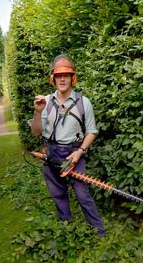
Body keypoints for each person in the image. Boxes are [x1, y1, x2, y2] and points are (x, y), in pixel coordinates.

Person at [29, 54, 105, 237]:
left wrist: (80, 152)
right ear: (53, 78)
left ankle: (99, 231)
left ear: (73, 78)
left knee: (82, 194)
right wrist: (37, 112)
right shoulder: (44, 102)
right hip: (52, 151)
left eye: (66, 75)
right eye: (58, 75)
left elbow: (92, 131)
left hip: (74, 153)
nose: (62, 79)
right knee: (58, 192)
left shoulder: (83, 102)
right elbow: (36, 132)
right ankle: (66, 226)